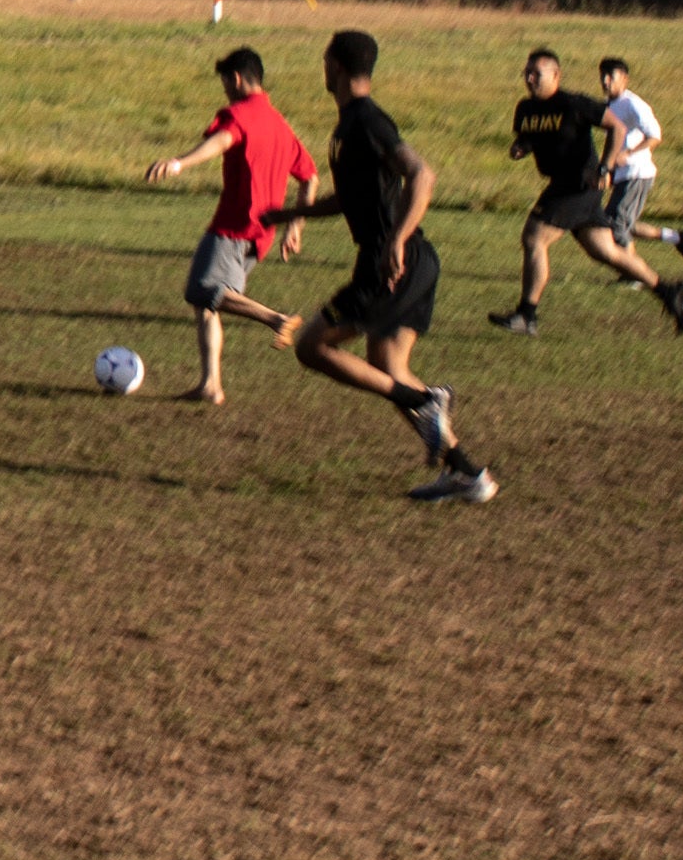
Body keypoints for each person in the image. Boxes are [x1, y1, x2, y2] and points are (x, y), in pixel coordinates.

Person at [291, 30, 497, 504]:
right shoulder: (349, 127)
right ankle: (468, 475)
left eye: (325, 62)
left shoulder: (365, 119)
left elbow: (422, 174)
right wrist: (291, 214)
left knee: (312, 347)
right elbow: (351, 199)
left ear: (336, 66)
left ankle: (425, 400)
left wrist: (397, 241)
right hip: (413, 260)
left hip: (392, 262)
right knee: (387, 366)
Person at [142, 44, 317, 403]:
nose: (225, 90)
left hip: (233, 225)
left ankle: (276, 319)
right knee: (210, 304)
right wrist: (295, 227)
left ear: (236, 79)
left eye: (225, 83)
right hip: (262, 234)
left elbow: (221, 141)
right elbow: (310, 177)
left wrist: (180, 163)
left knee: (202, 290)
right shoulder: (280, 124)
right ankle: (211, 385)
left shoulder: (238, 115)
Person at [490, 44, 683, 337]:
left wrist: (605, 167)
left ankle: (526, 315)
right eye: (527, 73)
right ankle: (668, 291)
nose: (529, 78)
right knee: (606, 252)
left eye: (536, 73)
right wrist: (522, 147)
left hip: (579, 185)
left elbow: (616, 128)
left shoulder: (574, 104)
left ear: (556, 75)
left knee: (534, 238)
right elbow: (532, 137)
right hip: (561, 184)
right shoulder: (526, 109)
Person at [596, 54, 683, 269]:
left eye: (610, 76)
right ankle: (678, 238)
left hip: (637, 172)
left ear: (624, 79)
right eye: (602, 76)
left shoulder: (633, 104)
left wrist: (628, 154)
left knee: (616, 223)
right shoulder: (608, 106)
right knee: (619, 222)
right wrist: (607, 168)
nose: (605, 81)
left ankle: (633, 274)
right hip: (622, 173)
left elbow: (654, 135)